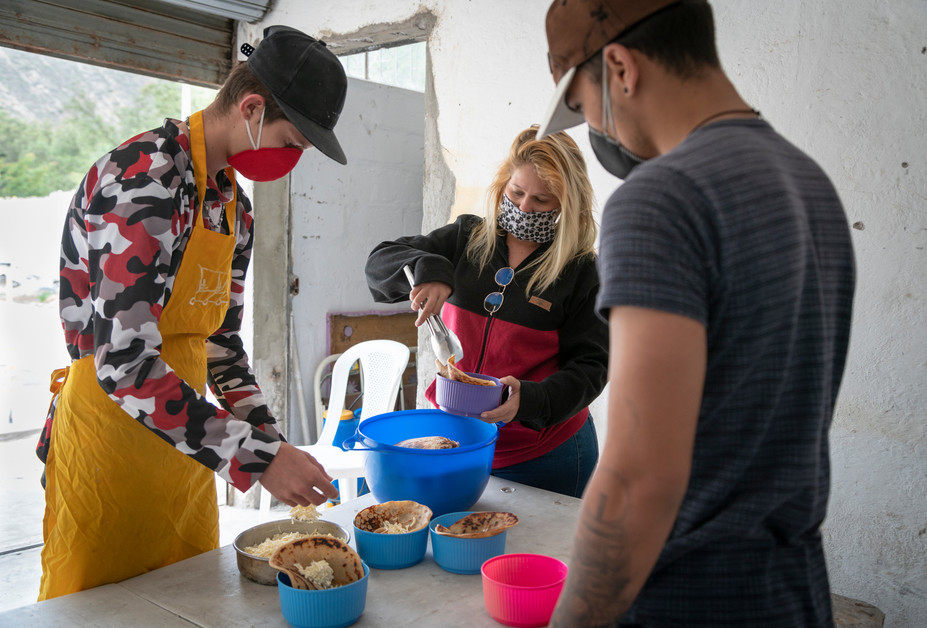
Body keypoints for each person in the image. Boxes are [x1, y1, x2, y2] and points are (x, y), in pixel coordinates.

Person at [535, 1, 856, 626]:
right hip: (793, 591)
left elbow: (636, 481)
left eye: (582, 105)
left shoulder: (660, 198)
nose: (595, 128)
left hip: (688, 598)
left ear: (622, 67)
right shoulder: (810, 183)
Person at [36, 25, 347, 600]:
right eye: (293, 141)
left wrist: (270, 441)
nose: (294, 159)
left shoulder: (234, 208)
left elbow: (221, 344)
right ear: (251, 108)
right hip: (110, 445)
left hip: (185, 451)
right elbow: (124, 365)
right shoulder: (144, 180)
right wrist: (254, 458)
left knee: (194, 604)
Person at [365, 126, 608, 498]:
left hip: (546, 452)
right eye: (517, 192)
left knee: (533, 553)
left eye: (542, 200)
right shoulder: (466, 237)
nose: (525, 207)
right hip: (460, 441)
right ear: (503, 183)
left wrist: (529, 400)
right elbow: (380, 262)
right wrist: (431, 272)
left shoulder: (580, 270)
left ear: (565, 204)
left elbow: (592, 368)